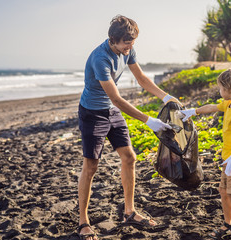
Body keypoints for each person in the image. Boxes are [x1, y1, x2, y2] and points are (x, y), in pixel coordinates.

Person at [77, 15, 181, 240]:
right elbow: (116, 99)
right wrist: (149, 121)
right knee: (91, 166)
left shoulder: (128, 49)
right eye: (126, 43)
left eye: (132, 43)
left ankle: (129, 212)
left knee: (129, 157)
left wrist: (165, 97)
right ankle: (83, 222)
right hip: (93, 113)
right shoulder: (100, 59)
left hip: (111, 111)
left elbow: (141, 78)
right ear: (113, 40)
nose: (130, 47)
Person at [180, 67, 231, 240]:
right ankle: (229, 224)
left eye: (221, 88)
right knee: (223, 191)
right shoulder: (229, 104)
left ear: (230, 88)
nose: (219, 91)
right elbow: (212, 107)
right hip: (227, 159)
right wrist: (194, 111)